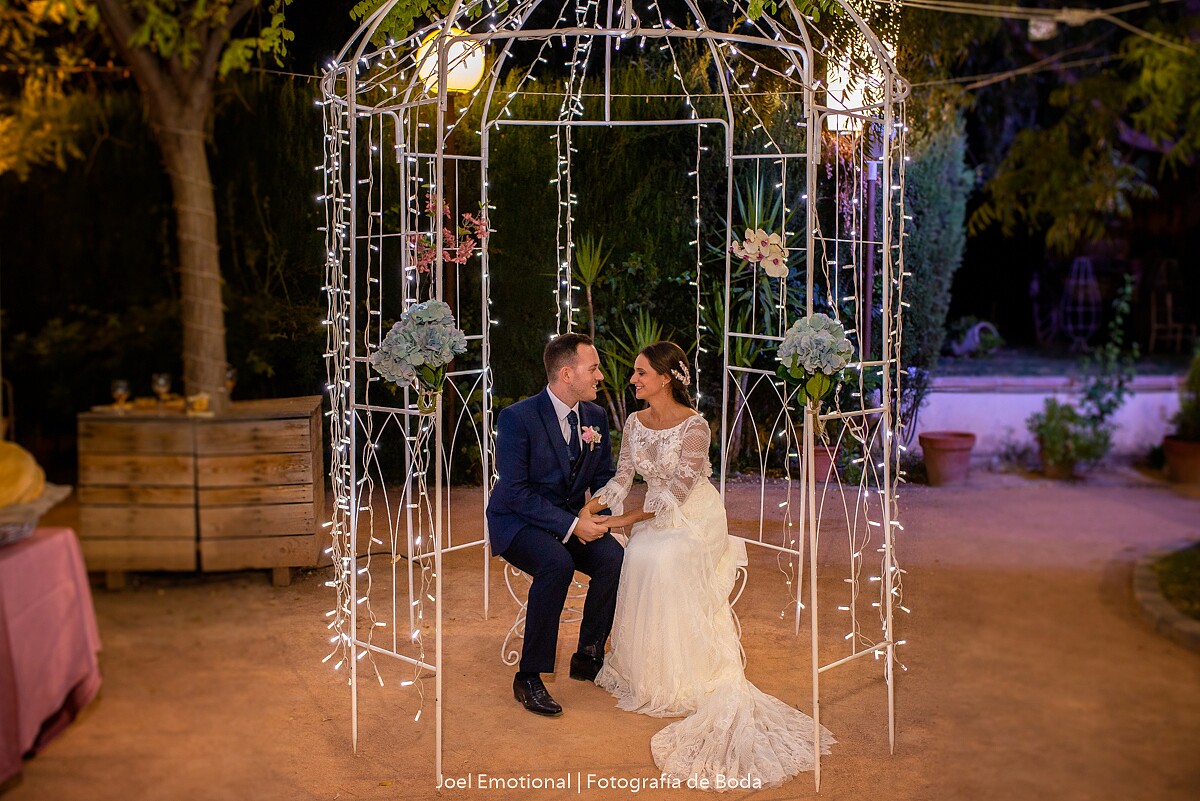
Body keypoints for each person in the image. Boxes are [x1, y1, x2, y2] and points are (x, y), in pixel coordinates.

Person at [584, 341, 834, 789]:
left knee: (661, 558)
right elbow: (622, 478)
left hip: (694, 516)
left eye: (641, 373)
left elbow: (677, 494)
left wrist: (620, 521)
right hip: (655, 513)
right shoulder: (635, 423)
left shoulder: (695, 427)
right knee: (636, 555)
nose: (633, 379)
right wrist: (592, 509)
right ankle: (647, 672)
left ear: (665, 379)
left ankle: (686, 673)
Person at [486, 332, 624, 717]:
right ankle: (528, 676)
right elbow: (514, 492)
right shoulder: (517, 418)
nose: (600, 376)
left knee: (613, 558)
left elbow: (604, 476)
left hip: (570, 518)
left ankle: (588, 655)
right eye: (593, 369)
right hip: (517, 522)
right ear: (567, 374)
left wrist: (601, 516)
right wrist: (572, 525)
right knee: (556, 563)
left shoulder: (595, 417)